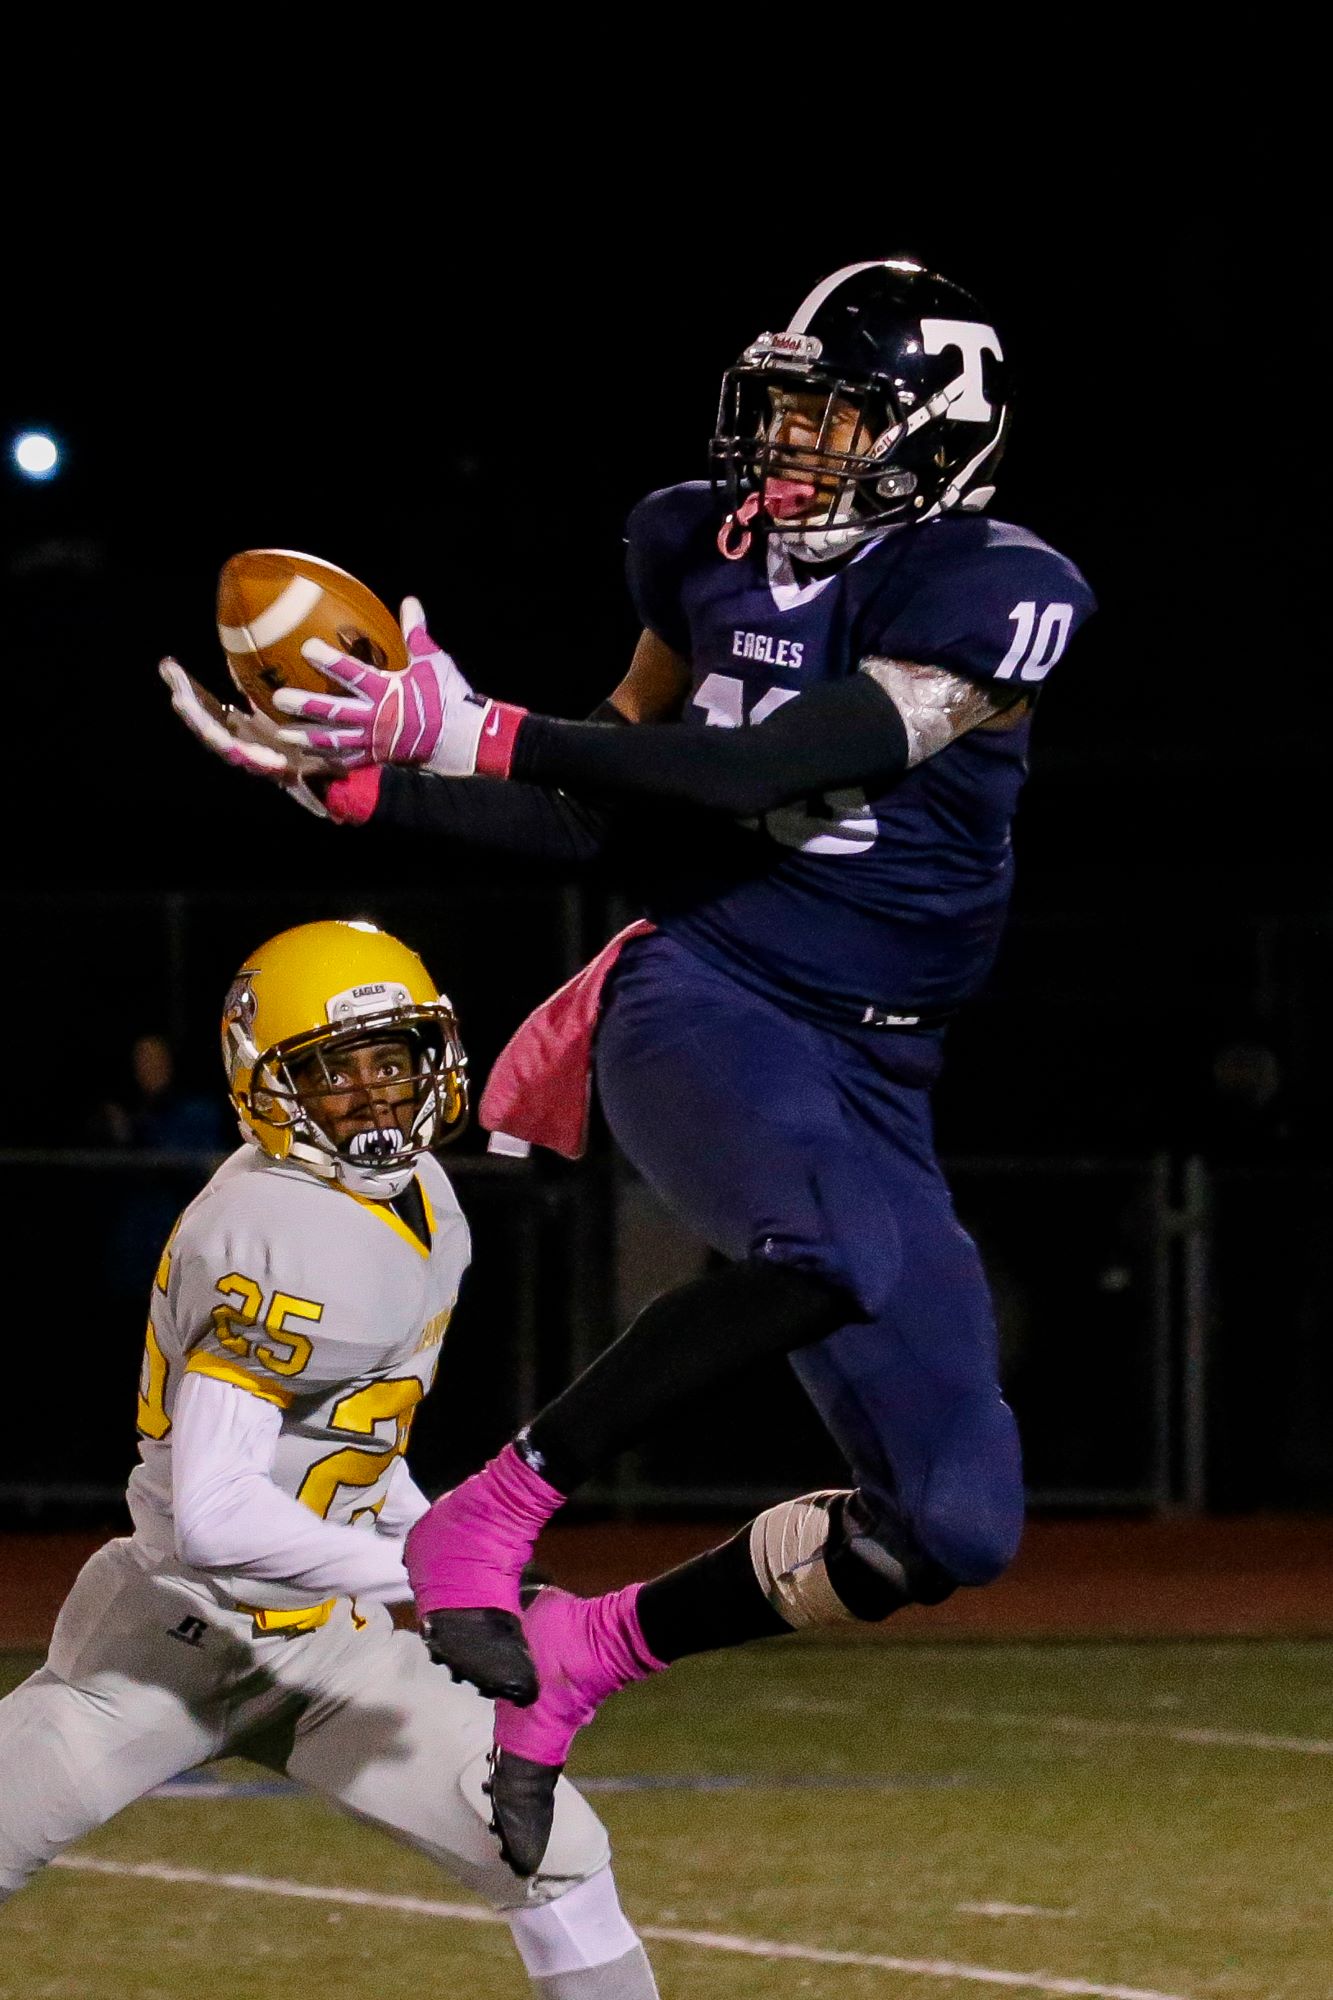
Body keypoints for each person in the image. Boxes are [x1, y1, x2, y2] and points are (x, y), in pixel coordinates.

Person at [164, 256, 1097, 1875]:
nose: (791, 445)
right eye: (784, 409)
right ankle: (493, 1509)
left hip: (879, 1074)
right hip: (709, 992)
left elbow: (770, 766)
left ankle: (591, 1650)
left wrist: (471, 732)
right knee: (827, 1254)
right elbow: (605, 812)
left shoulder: (996, 590)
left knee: (950, 1523)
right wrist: (380, 789)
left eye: (835, 416)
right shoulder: (693, 545)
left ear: (937, 437)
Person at [0, 918, 660, 2000]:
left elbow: (355, 1451)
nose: (371, 1096)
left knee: (557, 1857)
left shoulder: (424, 1198)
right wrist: (432, 1578)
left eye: (389, 1061)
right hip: (172, 1639)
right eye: (330, 1071)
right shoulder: (275, 1226)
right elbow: (216, 1512)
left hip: (328, 1642)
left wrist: (459, 1556)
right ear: (268, 1084)